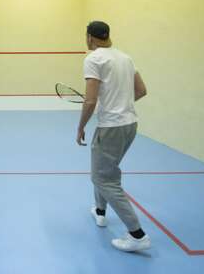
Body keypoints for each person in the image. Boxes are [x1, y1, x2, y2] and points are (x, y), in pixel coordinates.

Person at [76, 21, 151, 252]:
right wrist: (120, 106)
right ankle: (100, 212)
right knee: (105, 170)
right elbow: (141, 90)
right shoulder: (125, 58)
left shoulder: (93, 59)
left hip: (111, 128)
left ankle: (137, 235)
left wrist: (81, 127)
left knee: (103, 178)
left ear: (90, 37)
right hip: (130, 125)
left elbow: (90, 100)